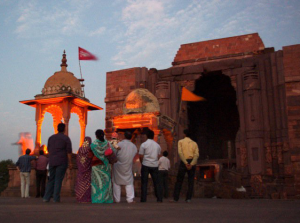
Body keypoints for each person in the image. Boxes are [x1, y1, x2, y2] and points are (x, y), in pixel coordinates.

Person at [43, 123, 72, 203]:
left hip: (52, 160)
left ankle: (46, 197)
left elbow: (49, 149)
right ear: (64, 129)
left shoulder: (51, 138)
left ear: (57, 128)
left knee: (51, 179)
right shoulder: (66, 138)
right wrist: (70, 163)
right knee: (58, 179)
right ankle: (56, 198)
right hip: (62, 160)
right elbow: (69, 152)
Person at [171, 129, 199, 203]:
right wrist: (192, 164)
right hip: (192, 161)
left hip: (184, 162)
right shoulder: (194, 143)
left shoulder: (180, 142)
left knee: (179, 180)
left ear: (184, 134)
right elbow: (196, 155)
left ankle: (176, 198)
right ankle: (188, 198)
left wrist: (186, 163)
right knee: (191, 181)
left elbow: (180, 153)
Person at [112, 131, 137, 203]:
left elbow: (114, 153)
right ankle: (130, 199)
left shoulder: (119, 144)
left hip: (118, 165)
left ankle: (117, 199)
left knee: (116, 183)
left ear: (124, 136)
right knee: (129, 182)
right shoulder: (133, 146)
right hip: (128, 165)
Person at [139, 129, 162, 202]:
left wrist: (142, 162)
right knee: (156, 183)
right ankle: (159, 198)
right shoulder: (157, 145)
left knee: (144, 183)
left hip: (145, 164)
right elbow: (159, 156)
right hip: (154, 165)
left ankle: (143, 199)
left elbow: (141, 155)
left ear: (146, 136)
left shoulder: (143, 144)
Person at [90, 129, 113, 203]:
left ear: (96, 136)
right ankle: (106, 199)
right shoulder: (108, 143)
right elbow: (111, 151)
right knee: (105, 183)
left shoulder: (93, 145)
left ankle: (97, 199)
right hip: (105, 165)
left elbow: (90, 155)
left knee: (97, 183)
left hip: (96, 166)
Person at [75, 137, 93, 203]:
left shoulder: (80, 149)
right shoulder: (89, 149)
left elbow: (78, 159)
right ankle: (86, 198)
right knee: (87, 184)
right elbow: (91, 158)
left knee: (80, 183)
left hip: (81, 169)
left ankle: (80, 197)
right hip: (87, 169)